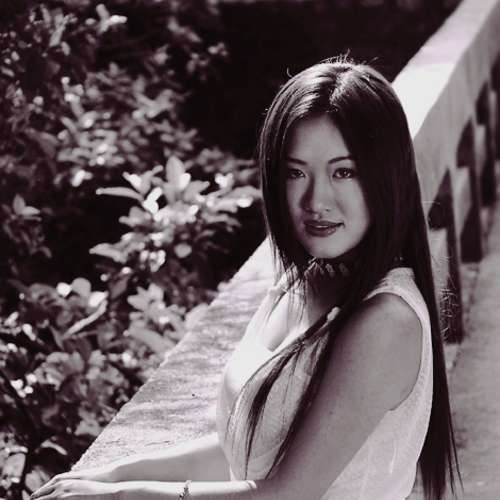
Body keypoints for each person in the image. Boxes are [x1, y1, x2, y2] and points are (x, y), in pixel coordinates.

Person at [32, 58, 461, 500]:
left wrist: (125, 496)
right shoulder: (300, 283)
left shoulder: (386, 321)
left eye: (344, 172)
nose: (316, 200)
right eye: (296, 172)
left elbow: (287, 494)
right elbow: (246, 450)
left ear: (387, 177)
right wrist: (115, 475)